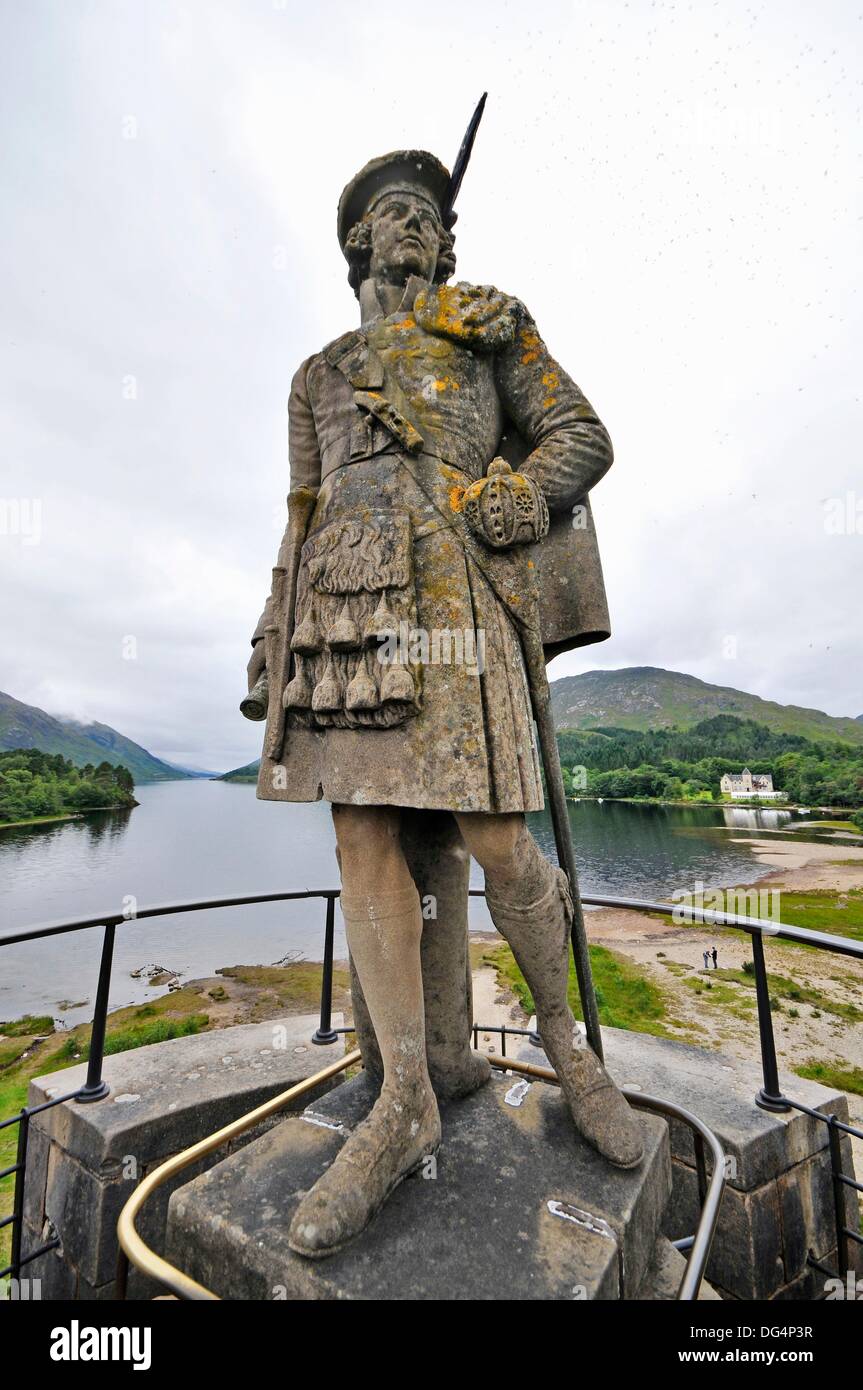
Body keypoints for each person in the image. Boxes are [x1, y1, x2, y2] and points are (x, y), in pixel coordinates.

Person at [244, 147, 644, 1258]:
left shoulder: (485, 326)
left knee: (494, 837)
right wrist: (270, 635)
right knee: (361, 828)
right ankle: (404, 1093)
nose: (407, 223)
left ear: (441, 239)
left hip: (455, 590)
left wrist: (518, 496)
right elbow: (298, 514)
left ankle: (564, 1042)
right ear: (358, 245)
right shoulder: (316, 373)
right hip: (339, 613)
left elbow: (580, 437)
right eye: (387, 213)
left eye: (424, 211)